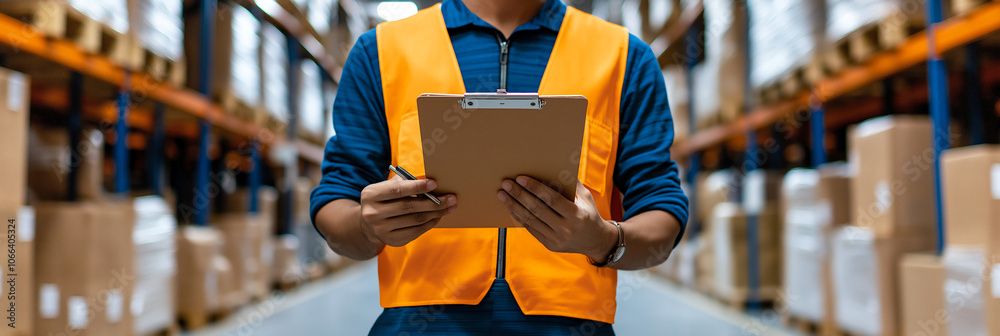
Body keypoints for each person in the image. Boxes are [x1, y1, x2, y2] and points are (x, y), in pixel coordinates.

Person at [310, 0, 689, 334]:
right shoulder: (380, 52)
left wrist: (603, 241)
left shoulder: (624, 58)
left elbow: (662, 212)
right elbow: (335, 204)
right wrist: (366, 226)